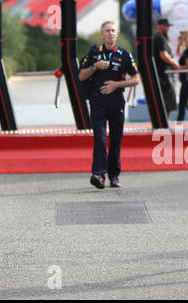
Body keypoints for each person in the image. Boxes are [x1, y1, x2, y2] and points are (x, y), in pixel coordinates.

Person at [79, 21, 139, 189]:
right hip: (97, 102)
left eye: (113, 30)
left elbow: (136, 79)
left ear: (116, 33)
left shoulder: (124, 54)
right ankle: (98, 175)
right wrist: (94, 67)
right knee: (99, 138)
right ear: (102, 34)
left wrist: (116, 85)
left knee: (115, 139)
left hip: (116, 102)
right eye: (107, 31)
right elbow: (81, 76)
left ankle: (114, 175)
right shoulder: (94, 52)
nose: (111, 33)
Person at [153, 18, 180, 117]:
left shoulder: (155, 37)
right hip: (165, 75)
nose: (168, 28)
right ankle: (164, 124)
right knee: (167, 102)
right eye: (166, 26)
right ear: (161, 26)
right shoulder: (160, 38)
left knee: (163, 101)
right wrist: (174, 64)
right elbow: (163, 55)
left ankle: (162, 123)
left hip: (160, 74)